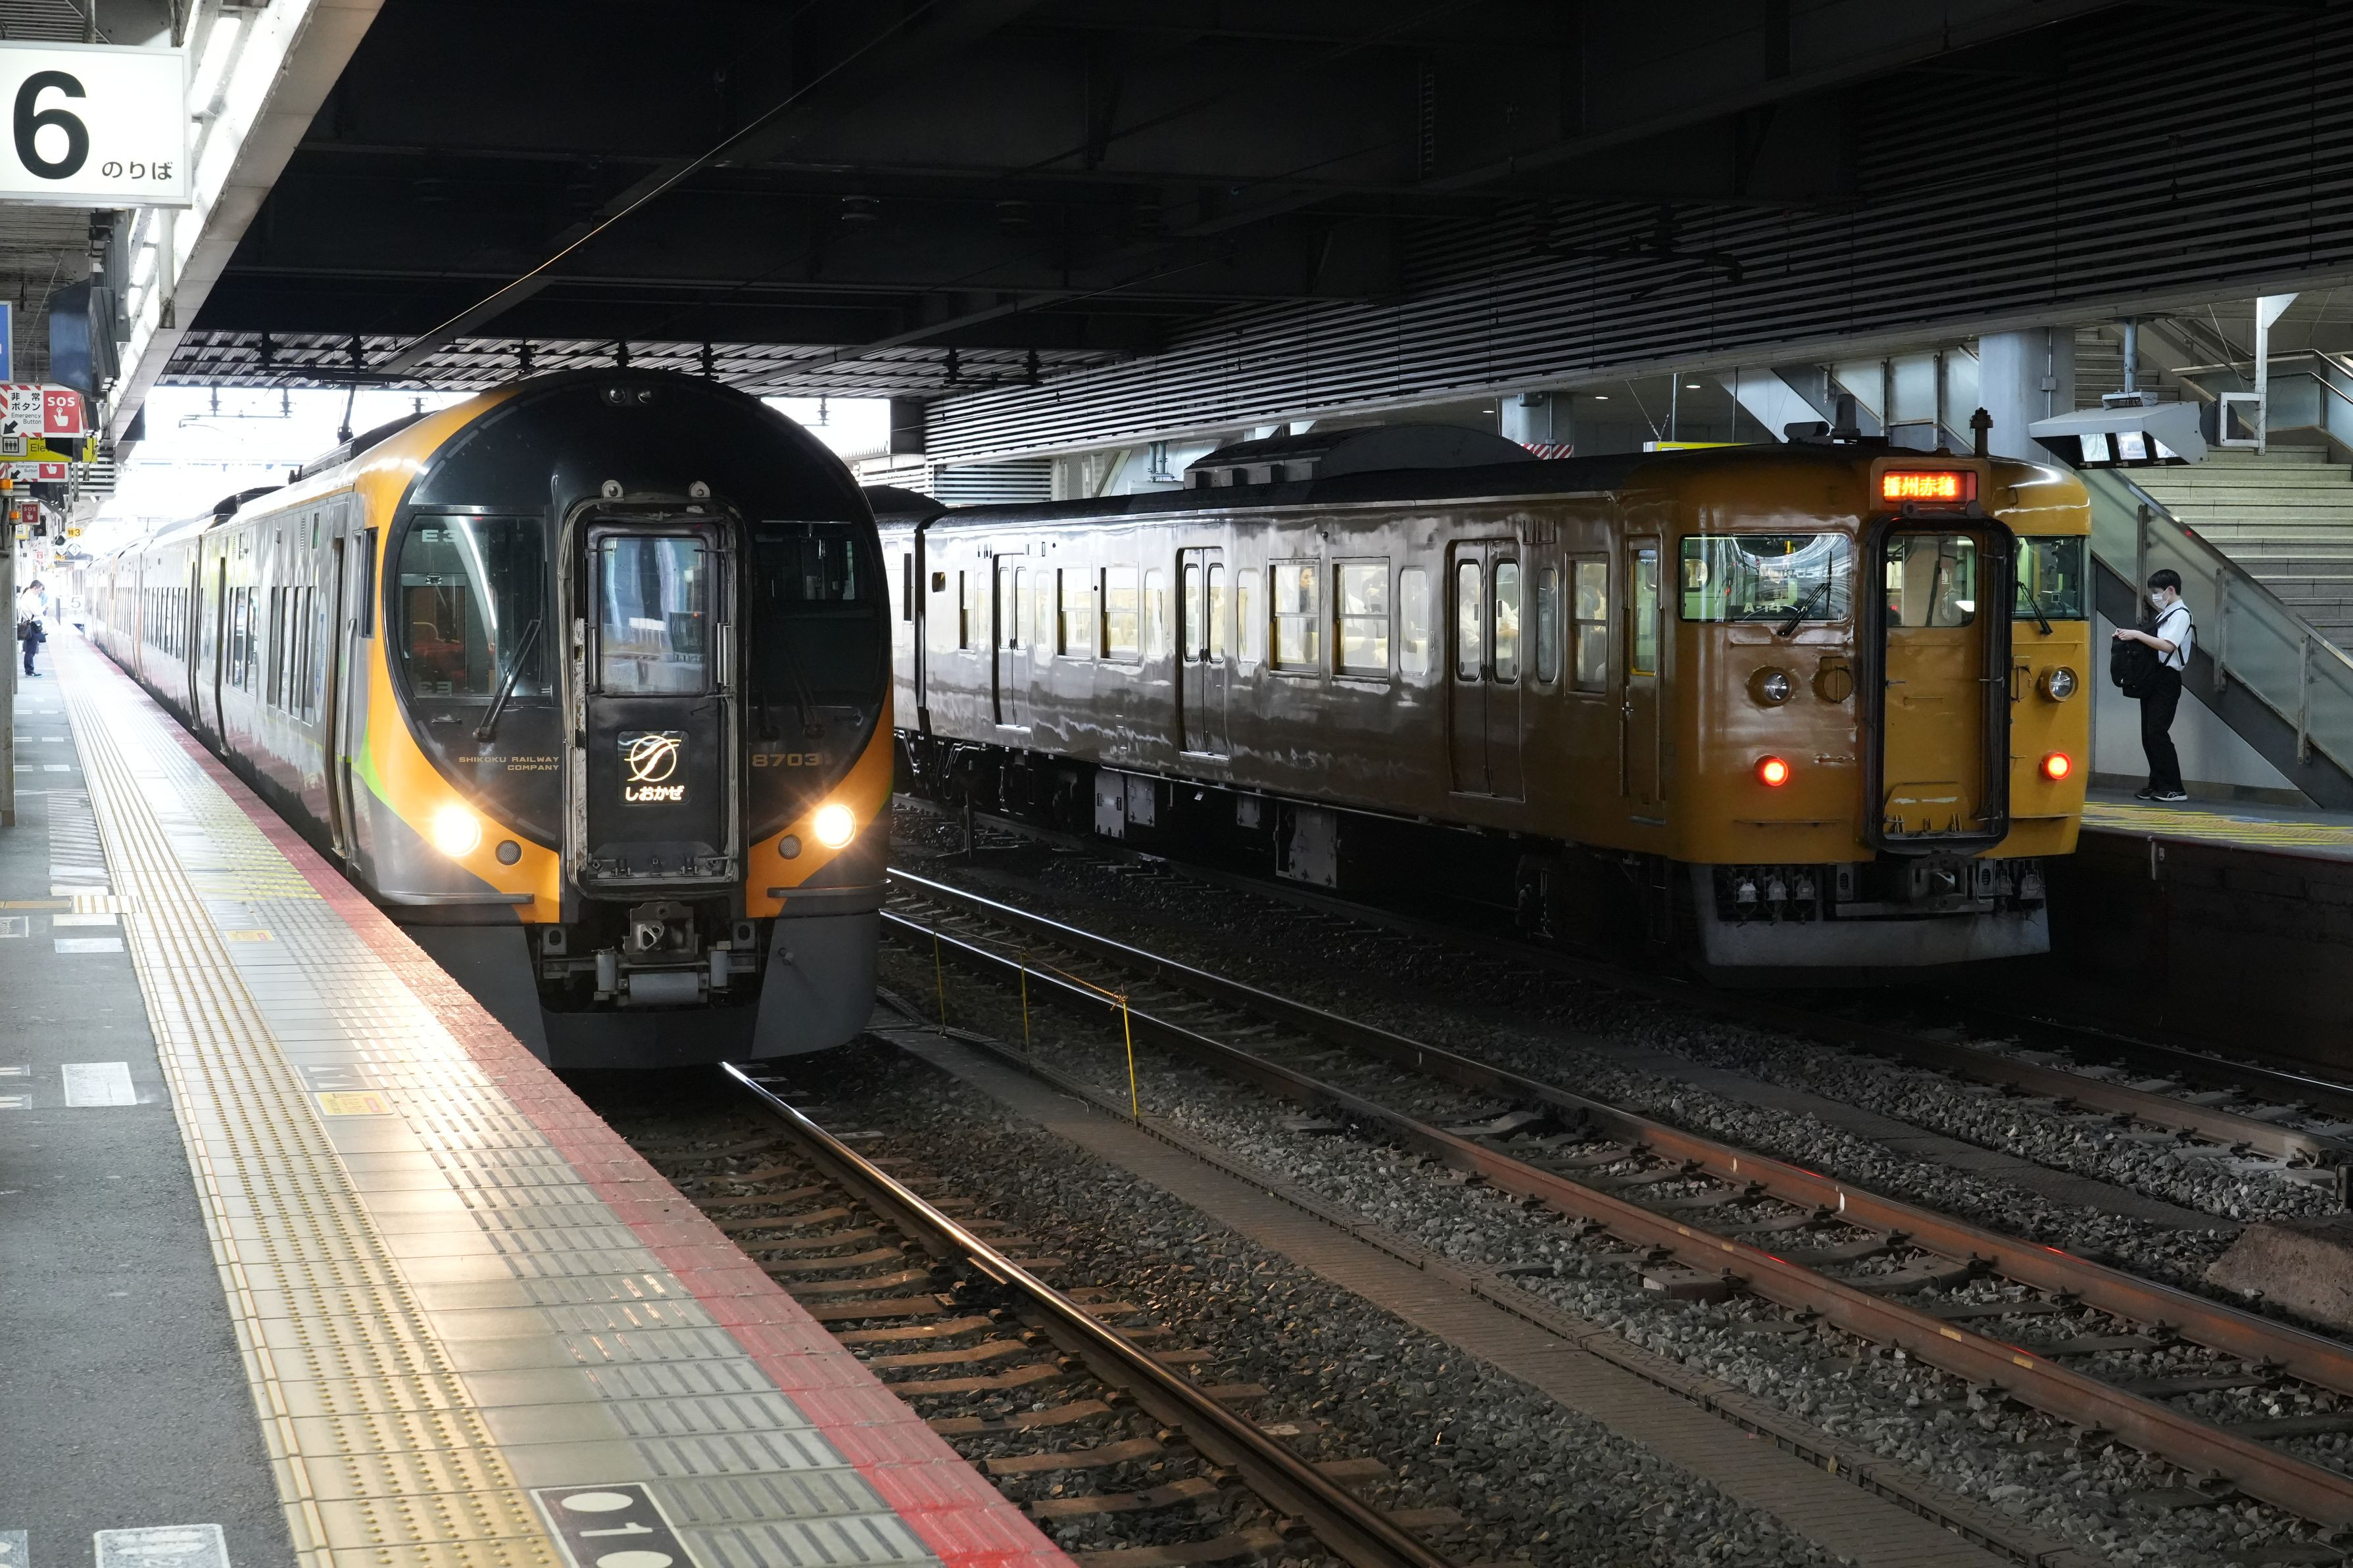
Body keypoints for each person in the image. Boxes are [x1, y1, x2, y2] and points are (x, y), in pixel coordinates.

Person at [2112, 568, 2194, 802]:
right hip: (2156, 677)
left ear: (2170, 590)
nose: (2155, 596)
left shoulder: (2181, 614)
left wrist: (2136, 635)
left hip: (2167, 679)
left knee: (2157, 732)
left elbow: (2168, 646)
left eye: (2157, 592)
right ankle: (2157, 783)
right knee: (2149, 734)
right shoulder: (2167, 613)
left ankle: (2174, 788)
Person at [16, 577, 48, 679]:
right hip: (32, 625)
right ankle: (29, 671)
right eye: (40, 590)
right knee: (31, 649)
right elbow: (36, 612)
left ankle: (30, 670)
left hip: (32, 624)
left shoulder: (27, 596)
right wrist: (45, 607)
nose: (40, 592)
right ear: (35, 588)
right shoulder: (29, 597)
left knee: (31, 648)